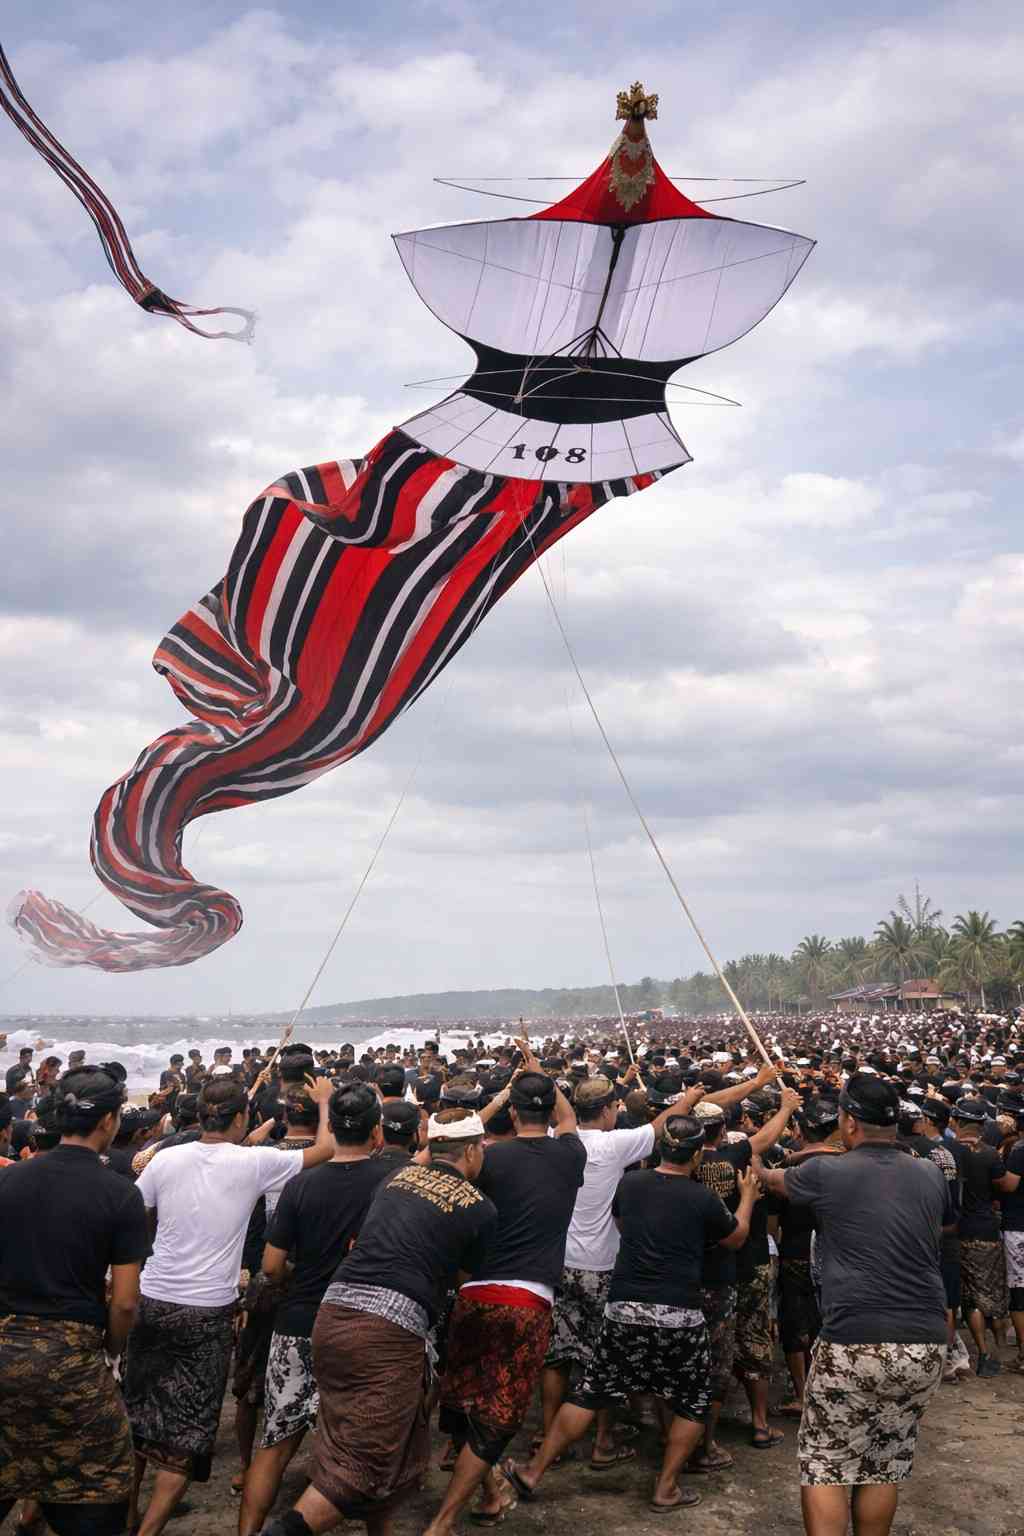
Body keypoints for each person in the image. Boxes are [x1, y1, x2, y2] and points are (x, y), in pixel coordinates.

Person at [259, 1107, 497, 1536]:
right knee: (364, 1462)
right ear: (475, 1151)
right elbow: (462, 1280)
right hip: (387, 1333)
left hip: (332, 1315)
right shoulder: (480, 1208)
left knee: (382, 1442)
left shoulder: (392, 1180)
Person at [503, 1115, 758, 1514]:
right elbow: (736, 1238)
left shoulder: (631, 1184)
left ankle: (534, 1470)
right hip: (679, 1314)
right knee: (692, 1400)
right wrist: (747, 1199)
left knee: (590, 1391)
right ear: (695, 1156)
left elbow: (621, 1223)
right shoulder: (701, 1198)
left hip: (625, 1307)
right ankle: (666, 1487)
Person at [123, 1075, 335, 1536]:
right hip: (208, 1312)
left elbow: (131, 1210)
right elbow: (324, 1150)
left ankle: (128, 1516)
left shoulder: (165, 1159)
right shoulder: (255, 1162)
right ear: (241, 1118)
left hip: (153, 1298)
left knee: (139, 1417)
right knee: (187, 1432)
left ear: (199, 1115)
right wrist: (323, 1104)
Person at [758, 1074, 951, 1536]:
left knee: (826, 1462)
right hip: (925, 1341)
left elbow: (771, 1177)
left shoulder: (827, 1173)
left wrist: (771, 1156)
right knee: (884, 1462)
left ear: (847, 1122)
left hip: (855, 1339)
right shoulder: (929, 1172)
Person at [424, 1060, 586, 1536]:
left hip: (474, 1291)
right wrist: (546, 1078)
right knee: (497, 1419)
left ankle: (489, 1494)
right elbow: (570, 1120)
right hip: (528, 1301)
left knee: (463, 1398)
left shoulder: (489, 1157)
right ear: (547, 1112)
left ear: (513, 1114)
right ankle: (444, 1520)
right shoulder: (571, 1154)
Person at [239, 1085, 394, 1535]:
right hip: (362, 1325)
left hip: (299, 1321)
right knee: (368, 1446)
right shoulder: (388, 1183)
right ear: (376, 1131)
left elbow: (271, 1265)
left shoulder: (301, 1183)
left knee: (276, 1440)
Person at [0, 1066, 148, 1536]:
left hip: (3, 1347)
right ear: (108, 1121)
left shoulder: (9, 1180)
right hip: (71, 1356)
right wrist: (111, 1347)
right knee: (100, 1484)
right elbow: (125, 1302)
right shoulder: (120, 1194)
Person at [538, 1070, 706, 1463]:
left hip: (560, 1262)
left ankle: (549, 1435)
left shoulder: (559, 1141)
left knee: (559, 1354)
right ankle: (603, 1441)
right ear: (609, 1109)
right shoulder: (616, 1144)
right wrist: (691, 1098)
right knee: (604, 1361)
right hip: (600, 1264)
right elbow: (662, 1125)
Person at [952, 1095, 1019, 1375]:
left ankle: (983, 1352)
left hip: (958, 1229)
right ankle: (999, 1344)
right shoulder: (990, 1153)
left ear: (958, 1122)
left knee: (970, 1297)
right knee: (991, 1289)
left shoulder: (950, 1151)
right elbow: (1006, 1187)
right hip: (987, 1229)